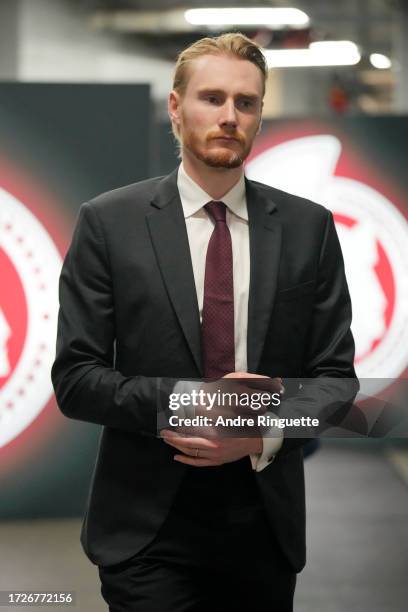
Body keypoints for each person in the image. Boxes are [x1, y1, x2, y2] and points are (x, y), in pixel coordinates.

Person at [51, 32, 357, 612]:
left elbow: (336, 381)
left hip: (263, 525)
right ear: (175, 107)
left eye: (246, 103)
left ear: (260, 113)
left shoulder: (307, 228)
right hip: (145, 528)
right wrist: (194, 403)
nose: (229, 117)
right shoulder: (108, 223)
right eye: (211, 98)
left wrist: (255, 431)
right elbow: (77, 378)